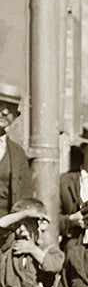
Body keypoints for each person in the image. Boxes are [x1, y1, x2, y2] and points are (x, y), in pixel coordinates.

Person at [0, 83, 34, 218]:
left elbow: (26, 194)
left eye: (11, 108)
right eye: (0, 105)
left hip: (5, 230)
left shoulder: (17, 153)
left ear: (16, 116)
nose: (5, 112)